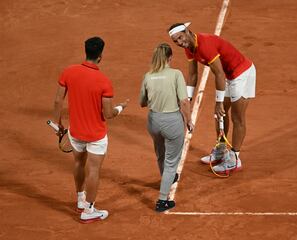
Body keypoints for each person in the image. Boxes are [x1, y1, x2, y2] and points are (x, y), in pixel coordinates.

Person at [52, 36, 129, 223]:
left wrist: (58, 124)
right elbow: (109, 114)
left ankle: (80, 200)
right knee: (93, 170)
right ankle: (89, 210)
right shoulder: (104, 82)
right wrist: (121, 107)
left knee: (79, 163)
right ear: (100, 56)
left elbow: (57, 100)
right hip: (95, 136)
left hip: (75, 132)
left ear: (86, 51)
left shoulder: (69, 72)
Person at [168, 22, 256, 174]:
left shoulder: (205, 45)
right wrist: (187, 99)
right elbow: (193, 75)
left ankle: (235, 159)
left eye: (180, 37)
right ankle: (221, 150)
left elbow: (219, 74)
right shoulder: (189, 48)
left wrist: (219, 102)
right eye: (175, 41)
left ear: (187, 31)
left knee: (237, 118)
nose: (179, 42)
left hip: (242, 74)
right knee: (219, 115)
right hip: (229, 76)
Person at [139, 43, 193, 212]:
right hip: (172, 123)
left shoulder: (148, 76)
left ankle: (166, 179)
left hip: (153, 122)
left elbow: (142, 102)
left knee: (161, 154)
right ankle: (162, 201)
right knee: (171, 162)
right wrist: (189, 120)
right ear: (170, 58)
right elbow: (184, 101)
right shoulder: (176, 74)